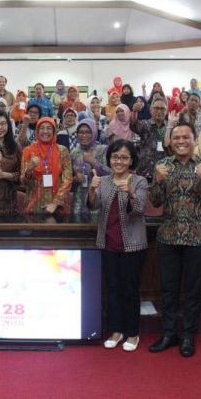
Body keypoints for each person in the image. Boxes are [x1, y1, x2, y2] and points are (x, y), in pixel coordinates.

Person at [148, 122, 201, 357]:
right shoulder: (162, 165)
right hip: (168, 237)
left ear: (194, 139)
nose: (181, 141)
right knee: (168, 290)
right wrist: (157, 181)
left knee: (193, 291)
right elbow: (155, 200)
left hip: (197, 238)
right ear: (170, 141)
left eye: (186, 137)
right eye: (177, 137)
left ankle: (189, 336)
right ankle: (169, 333)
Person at [87, 140, 147, 352]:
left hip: (133, 246)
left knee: (130, 291)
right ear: (109, 159)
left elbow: (139, 209)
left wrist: (130, 192)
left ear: (131, 160)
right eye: (115, 157)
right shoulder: (103, 180)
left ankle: (132, 333)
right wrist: (92, 190)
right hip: (108, 243)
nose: (119, 161)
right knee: (112, 290)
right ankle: (116, 330)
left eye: (124, 157)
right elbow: (93, 206)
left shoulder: (139, 181)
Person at [21, 117, 73, 215]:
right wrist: (29, 170)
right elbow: (23, 182)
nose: (45, 131)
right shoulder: (28, 151)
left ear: (54, 131)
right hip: (34, 206)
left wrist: (55, 203)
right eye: (42, 128)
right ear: (37, 131)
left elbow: (68, 180)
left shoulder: (62, 151)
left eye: (49, 128)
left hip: (57, 207)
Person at [70, 119, 110, 215]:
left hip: (97, 200)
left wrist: (94, 162)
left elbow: (110, 174)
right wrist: (75, 179)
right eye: (81, 132)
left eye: (88, 132)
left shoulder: (103, 150)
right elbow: (68, 177)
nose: (84, 135)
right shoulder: (74, 152)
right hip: (79, 201)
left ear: (94, 132)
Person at [129, 96, 167, 180]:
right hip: (145, 169)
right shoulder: (145, 124)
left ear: (166, 111)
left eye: (162, 109)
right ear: (151, 110)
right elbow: (133, 125)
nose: (159, 111)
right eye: (156, 108)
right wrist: (134, 111)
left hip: (164, 170)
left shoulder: (170, 127)